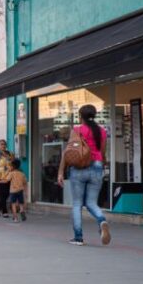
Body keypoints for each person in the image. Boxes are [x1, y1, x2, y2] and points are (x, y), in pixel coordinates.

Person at [58, 104, 111, 246]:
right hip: (97, 166)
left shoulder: (77, 130)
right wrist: (102, 165)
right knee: (92, 203)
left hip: (79, 168)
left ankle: (78, 237)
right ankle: (102, 221)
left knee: (77, 204)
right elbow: (103, 152)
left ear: (80, 116)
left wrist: (60, 172)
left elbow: (68, 152)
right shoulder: (102, 131)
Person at [0, 139, 14, 218]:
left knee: (7, 194)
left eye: (4, 144)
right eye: (1, 144)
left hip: (8, 176)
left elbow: (13, 163)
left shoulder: (10, 154)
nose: (3, 146)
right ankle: (4, 211)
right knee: (3, 194)